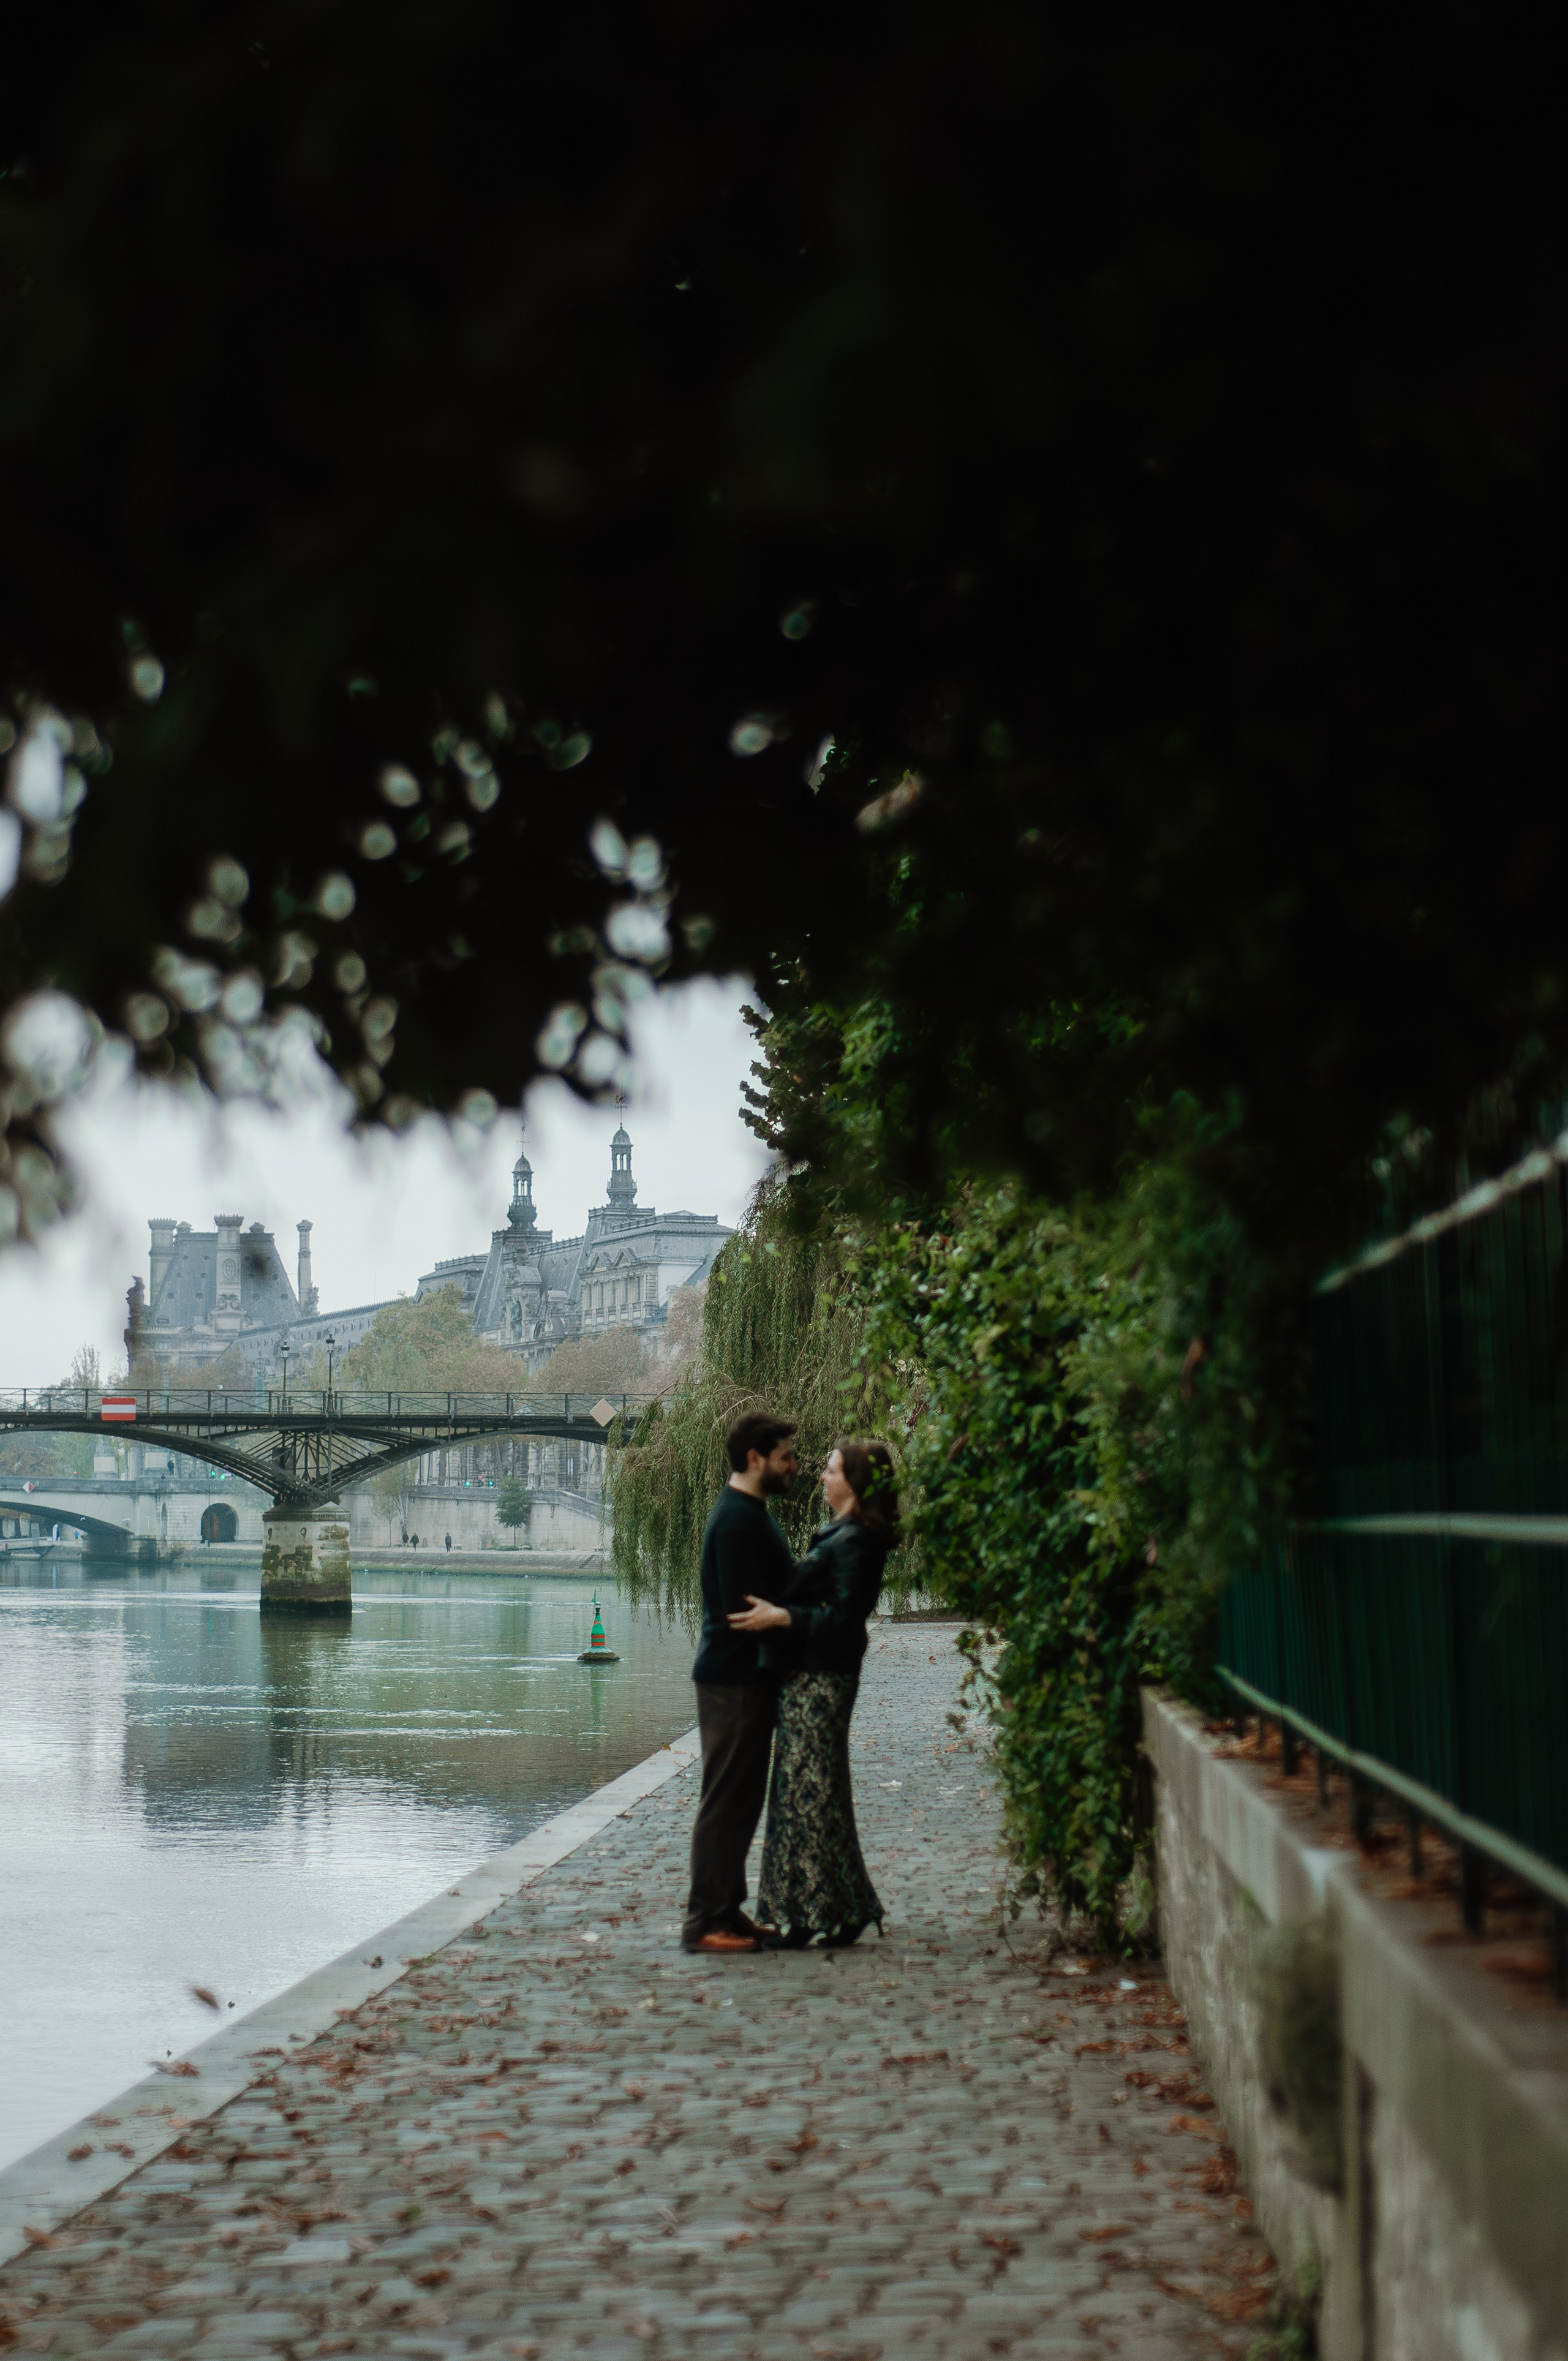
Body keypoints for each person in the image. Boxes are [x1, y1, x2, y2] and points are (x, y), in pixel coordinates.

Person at [728, 1439, 896, 1948]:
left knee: (807, 1793)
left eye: (831, 1469)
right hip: (814, 1673)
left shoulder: (859, 1541)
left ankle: (806, 1915)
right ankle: (842, 1907)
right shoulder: (848, 1534)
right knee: (814, 1791)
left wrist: (783, 1615)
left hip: (823, 1677)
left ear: (855, 1482)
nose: (821, 1476)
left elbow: (845, 1619)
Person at [683, 1410, 800, 1954]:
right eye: (786, 1457)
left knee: (741, 1797)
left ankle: (728, 1908)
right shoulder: (737, 1519)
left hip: (743, 1675)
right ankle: (704, 1921)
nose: (794, 1467)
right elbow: (741, 1609)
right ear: (756, 1458)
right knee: (726, 1798)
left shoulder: (749, 1512)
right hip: (734, 1677)